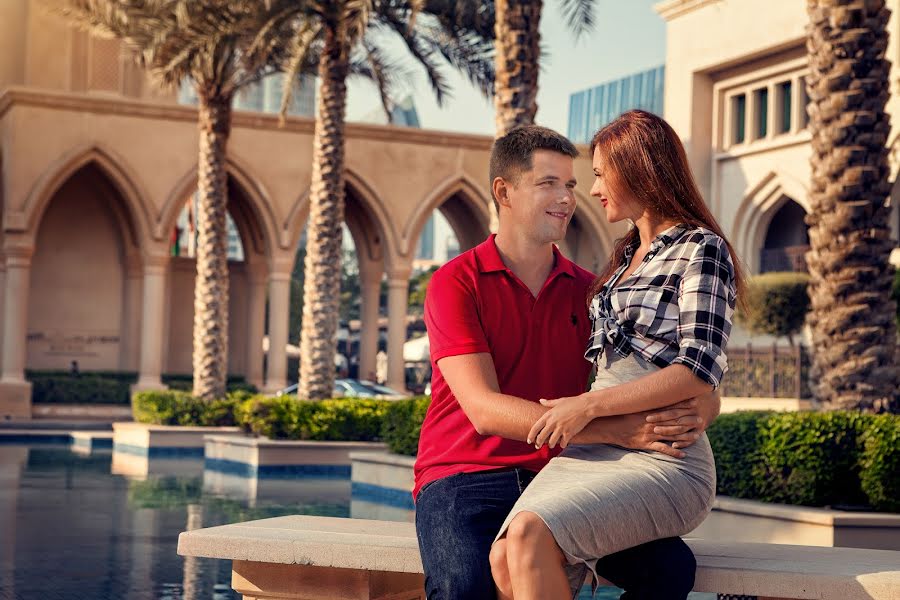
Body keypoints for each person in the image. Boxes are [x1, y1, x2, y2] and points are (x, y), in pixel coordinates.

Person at [414, 124, 722, 600]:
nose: (569, 197)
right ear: (504, 192)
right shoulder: (457, 282)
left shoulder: (594, 292)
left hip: (563, 472)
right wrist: (617, 432)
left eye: (573, 184)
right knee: (462, 588)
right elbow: (484, 410)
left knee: (671, 569)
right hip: (465, 474)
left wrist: (701, 411)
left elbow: (681, 367)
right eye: (548, 183)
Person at [489, 110, 745, 600]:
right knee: (505, 555)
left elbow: (697, 367)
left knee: (526, 537)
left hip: (665, 459)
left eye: (602, 173)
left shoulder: (701, 249)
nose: (594, 188)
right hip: (595, 450)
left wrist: (584, 406)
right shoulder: (625, 255)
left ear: (638, 168)